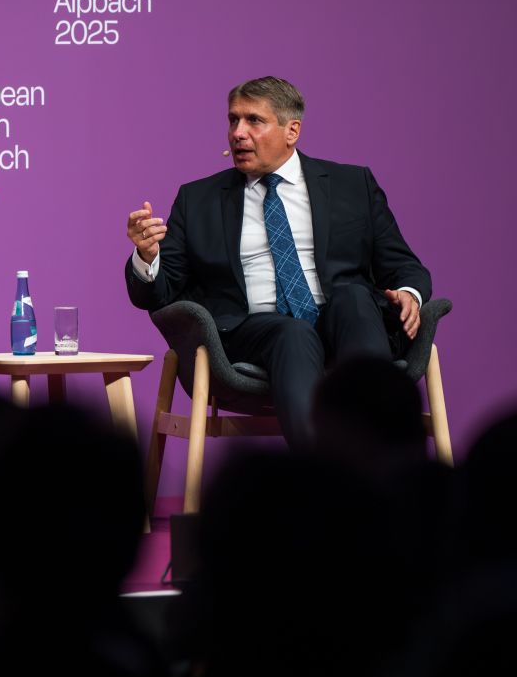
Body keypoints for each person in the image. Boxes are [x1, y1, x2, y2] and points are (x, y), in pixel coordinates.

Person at [125, 76, 430, 446]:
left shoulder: (352, 185)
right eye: (233, 120)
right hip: (254, 332)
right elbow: (160, 292)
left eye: (254, 120)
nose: (238, 133)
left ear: (292, 131)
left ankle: (376, 451)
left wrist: (410, 292)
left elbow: (403, 265)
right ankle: (322, 465)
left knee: (353, 297)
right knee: (292, 332)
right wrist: (147, 256)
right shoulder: (198, 199)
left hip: (348, 325)